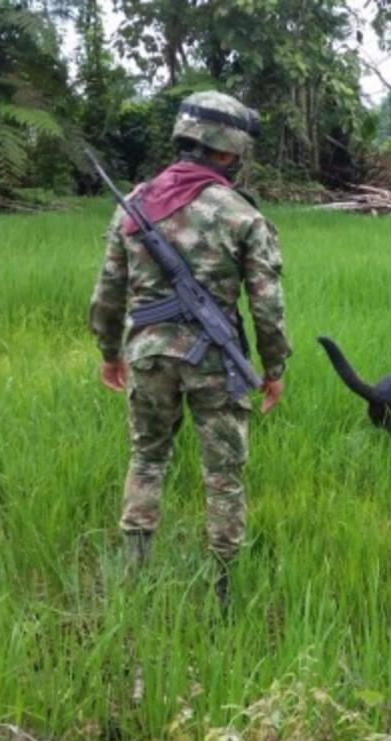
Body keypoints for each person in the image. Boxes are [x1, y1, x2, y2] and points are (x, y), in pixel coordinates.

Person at [88, 91, 291, 604]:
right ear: (230, 150)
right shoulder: (242, 215)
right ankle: (225, 585)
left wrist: (110, 353)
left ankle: (134, 571)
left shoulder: (134, 204)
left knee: (147, 458)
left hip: (148, 354)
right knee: (223, 474)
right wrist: (274, 366)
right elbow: (266, 303)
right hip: (215, 362)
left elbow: (107, 293)